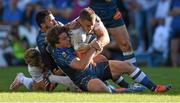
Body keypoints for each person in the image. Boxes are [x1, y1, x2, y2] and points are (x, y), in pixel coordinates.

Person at [46, 25, 171, 92]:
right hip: (84, 79)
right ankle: (124, 90)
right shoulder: (59, 53)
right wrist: (93, 49)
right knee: (102, 89)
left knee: (126, 66)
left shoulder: (60, 41)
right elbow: (81, 66)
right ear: (56, 43)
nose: (68, 39)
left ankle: (155, 88)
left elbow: (71, 27)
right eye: (64, 39)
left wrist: (77, 22)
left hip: (94, 67)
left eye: (67, 37)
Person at [65, 7, 145, 91]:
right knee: (100, 64)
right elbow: (78, 50)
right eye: (88, 25)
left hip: (81, 59)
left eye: (92, 25)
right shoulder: (74, 30)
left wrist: (96, 45)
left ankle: (126, 86)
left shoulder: (92, 19)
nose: (91, 28)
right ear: (81, 22)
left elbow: (105, 38)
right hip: (74, 62)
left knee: (103, 61)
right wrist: (92, 46)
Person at [89, 0, 146, 88]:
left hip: (112, 10)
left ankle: (136, 80)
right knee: (94, 48)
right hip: (94, 11)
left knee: (126, 45)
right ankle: (86, 80)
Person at [9, 48, 79, 91]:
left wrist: (59, 71)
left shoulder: (46, 51)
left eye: (40, 62)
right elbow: (43, 86)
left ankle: (75, 85)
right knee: (44, 88)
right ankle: (21, 79)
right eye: (38, 64)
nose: (41, 64)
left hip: (54, 64)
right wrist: (53, 76)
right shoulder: (32, 69)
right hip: (43, 74)